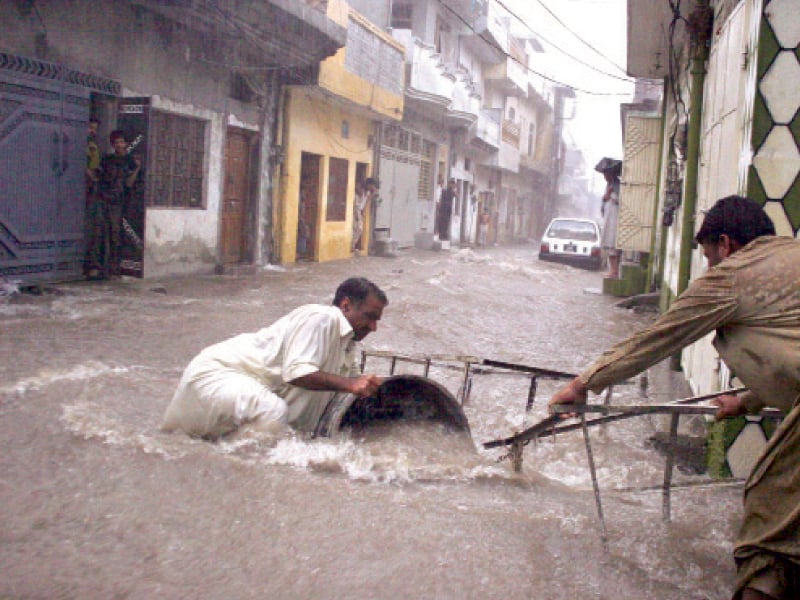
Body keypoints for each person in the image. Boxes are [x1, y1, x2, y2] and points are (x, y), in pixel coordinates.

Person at [547, 195, 800, 600]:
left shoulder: (734, 275)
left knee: (768, 514)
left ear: (726, 244)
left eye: (707, 257)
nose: (709, 267)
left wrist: (582, 385)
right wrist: (746, 401)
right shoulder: (789, 258)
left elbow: (658, 337)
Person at [162, 277, 388, 438]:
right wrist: (351, 384)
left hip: (228, 385)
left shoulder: (347, 345)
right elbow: (297, 373)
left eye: (377, 320)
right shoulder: (323, 317)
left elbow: (344, 395)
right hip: (216, 374)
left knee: (277, 432)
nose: (374, 327)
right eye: (369, 317)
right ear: (346, 305)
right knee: (272, 414)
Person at [96, 130, 141, 278]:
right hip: (104, 199)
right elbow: (99, 177)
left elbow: (129, 183)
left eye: (121, 142)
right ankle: (101, 266)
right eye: (116, 143)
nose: (119, 145)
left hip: (119, 202)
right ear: (112, 144)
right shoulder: (107, 159)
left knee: (115, 234)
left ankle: (114, 267)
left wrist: (137, 169)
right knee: (101, 233)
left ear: (126, 144)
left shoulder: (130, 161)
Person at [83, 118, 104, 279]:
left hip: (92, 190)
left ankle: (91, 265)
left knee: (94, 230)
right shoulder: (80, 145)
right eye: (90, 127)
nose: (93, 131)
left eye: (95, 128)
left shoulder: (93, 146)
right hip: (79, 191)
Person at [596, 158, 622, 278]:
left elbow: (620, 200)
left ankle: (614, 271)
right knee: (609, 244)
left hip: (614, 218)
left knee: (613, 244)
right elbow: (604, 201)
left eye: (606, 174)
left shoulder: (617, 185)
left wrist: (610, 195)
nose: (605, 177)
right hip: (608, 217)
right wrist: (606, 196)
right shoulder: (608, 186)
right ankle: (613, 270)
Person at [353, 177, 379, 253]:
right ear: (369, 184)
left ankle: (352, 245)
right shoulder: (360, 190)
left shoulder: (367, 192)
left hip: (359, 210)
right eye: (373, 186)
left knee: (358, 228)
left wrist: (373, 193)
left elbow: (367, 201)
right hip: (356, 209)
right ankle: (351, 246)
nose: (373, 188)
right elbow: (358, 202)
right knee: (358, 228)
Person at [437, 178, 457, 245]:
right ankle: (442, 239)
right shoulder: (445, 191)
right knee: (443, 226)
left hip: (447, 211)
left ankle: (443, 240)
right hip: (444, 211)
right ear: (450, 184)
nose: (453, 186)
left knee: (445, 226)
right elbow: (440, 200)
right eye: (453, 184)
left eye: (454, 185)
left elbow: (456, 195)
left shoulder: (450, 192)